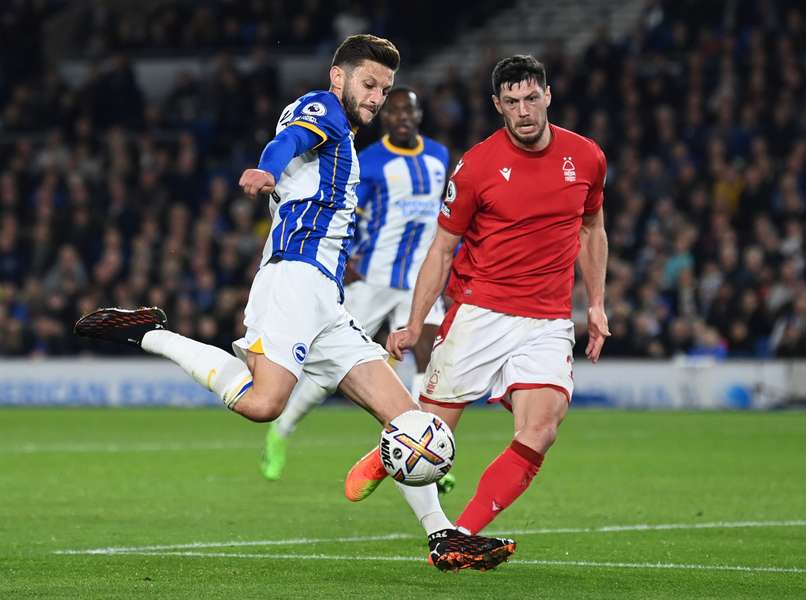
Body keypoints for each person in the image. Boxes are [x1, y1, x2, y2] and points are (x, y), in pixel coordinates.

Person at [73, 34, 514, 572]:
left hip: (325, 298)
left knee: (408, 421)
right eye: (369, 84)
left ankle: (443, 536)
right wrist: (266, 168)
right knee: (264, 404)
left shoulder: (347, 138)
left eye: (385, 89)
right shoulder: (323, 108)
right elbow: (289, 142)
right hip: (293, 281)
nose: (377, 97)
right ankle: (146, 332)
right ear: (339, 77)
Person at [342, 55, 610, 562]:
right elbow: (442, 249)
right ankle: (385, 456)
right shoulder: (477, 166)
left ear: (548, 96)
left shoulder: (587, 157)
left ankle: (457, 537)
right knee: (427, 434)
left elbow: (592, 230)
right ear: (497, 106)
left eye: (532, 98)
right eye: (512, 102)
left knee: (540, 431)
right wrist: (415, 321)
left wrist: (595, 304)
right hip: (479, 312)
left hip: (549, 319)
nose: (524, 111)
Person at [260, 86, 451, 482]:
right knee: (329, 368)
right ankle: (282, 429)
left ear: (418, 116)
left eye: (407, 112)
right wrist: (347, 258)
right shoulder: (370, 161)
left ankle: (422, 447)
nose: (400, 118)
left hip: (418, 280)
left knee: (429, 359)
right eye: (393, 112)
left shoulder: (438, 156)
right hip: (373, 279)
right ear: (385, 119)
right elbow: (344, 209)